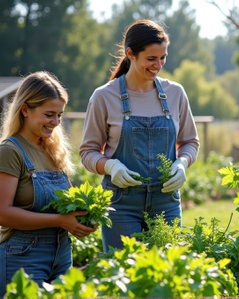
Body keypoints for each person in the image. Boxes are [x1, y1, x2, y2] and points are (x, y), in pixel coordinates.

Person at [79, 19, 199, 252]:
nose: (159, 65)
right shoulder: (104, 97)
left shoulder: (175, 93)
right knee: (124, 275)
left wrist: (183, 163)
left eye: (163, 57)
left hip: (166, 202)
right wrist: (110, 166)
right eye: (151, 59)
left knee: (169, 276)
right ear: (130, 54)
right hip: (121, 204)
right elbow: (87, 152)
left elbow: (191, 142)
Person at [0, 71, 96, 296]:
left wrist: (86, 217)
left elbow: (66, 201)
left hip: (61, 254)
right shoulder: (10, 151)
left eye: (60, 115)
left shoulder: (54, 151)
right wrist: (61, 221)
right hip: (23, 256)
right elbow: (3, 214)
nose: (56, 122)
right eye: (49, 115)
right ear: (25, 109)